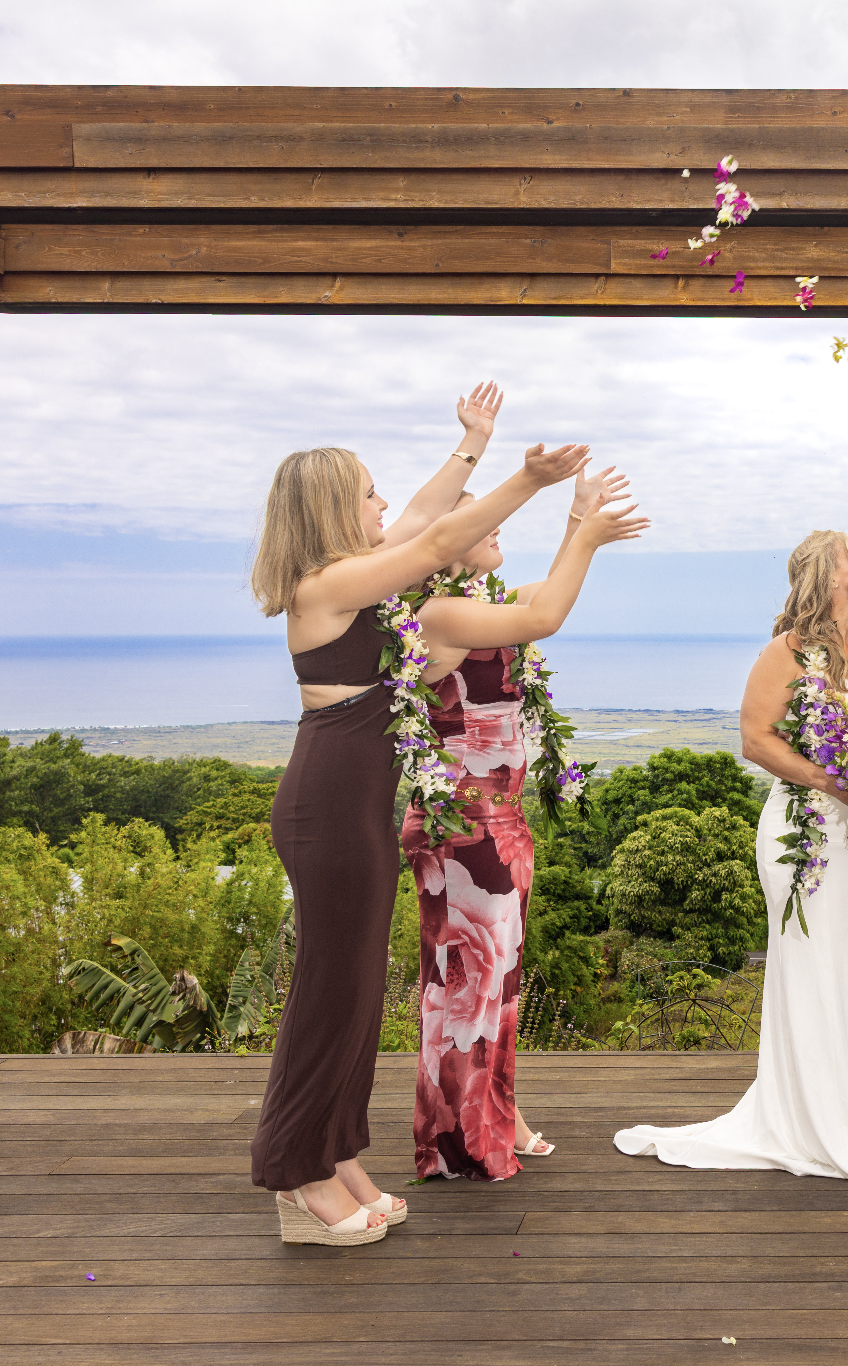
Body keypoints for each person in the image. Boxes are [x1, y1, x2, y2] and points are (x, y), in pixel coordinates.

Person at [247, 379, 586, 1245]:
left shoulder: (355, 580)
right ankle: (297, 1175)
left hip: (352, 811)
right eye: (367, 490)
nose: (383, 501)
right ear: (332, 508)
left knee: (357, 998)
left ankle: (336, 1156)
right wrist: (527, 480)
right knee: (329, 998)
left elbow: (427, 520)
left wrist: (472, 444)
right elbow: (437, 535)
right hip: (328, 811)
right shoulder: (327, 586)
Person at [613, 530, 848, 1185]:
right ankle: (806, 1122)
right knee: (810, 966)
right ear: (831, 576)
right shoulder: (788, 651)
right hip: (805, 835)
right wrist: (833, 783)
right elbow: (755, 740)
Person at [401, 463, 648, 1181]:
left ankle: (491, 1119)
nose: (496, 526)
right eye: (480, 522)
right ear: (447, 544)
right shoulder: (441, 614)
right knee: (467, 984)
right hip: (464, 825)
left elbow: (540, 597)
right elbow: (544, 618)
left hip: (494, 822)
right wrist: (591, 539)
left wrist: (580, 522)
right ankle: (462, 1142)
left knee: (492, 984)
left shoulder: (476, 605)